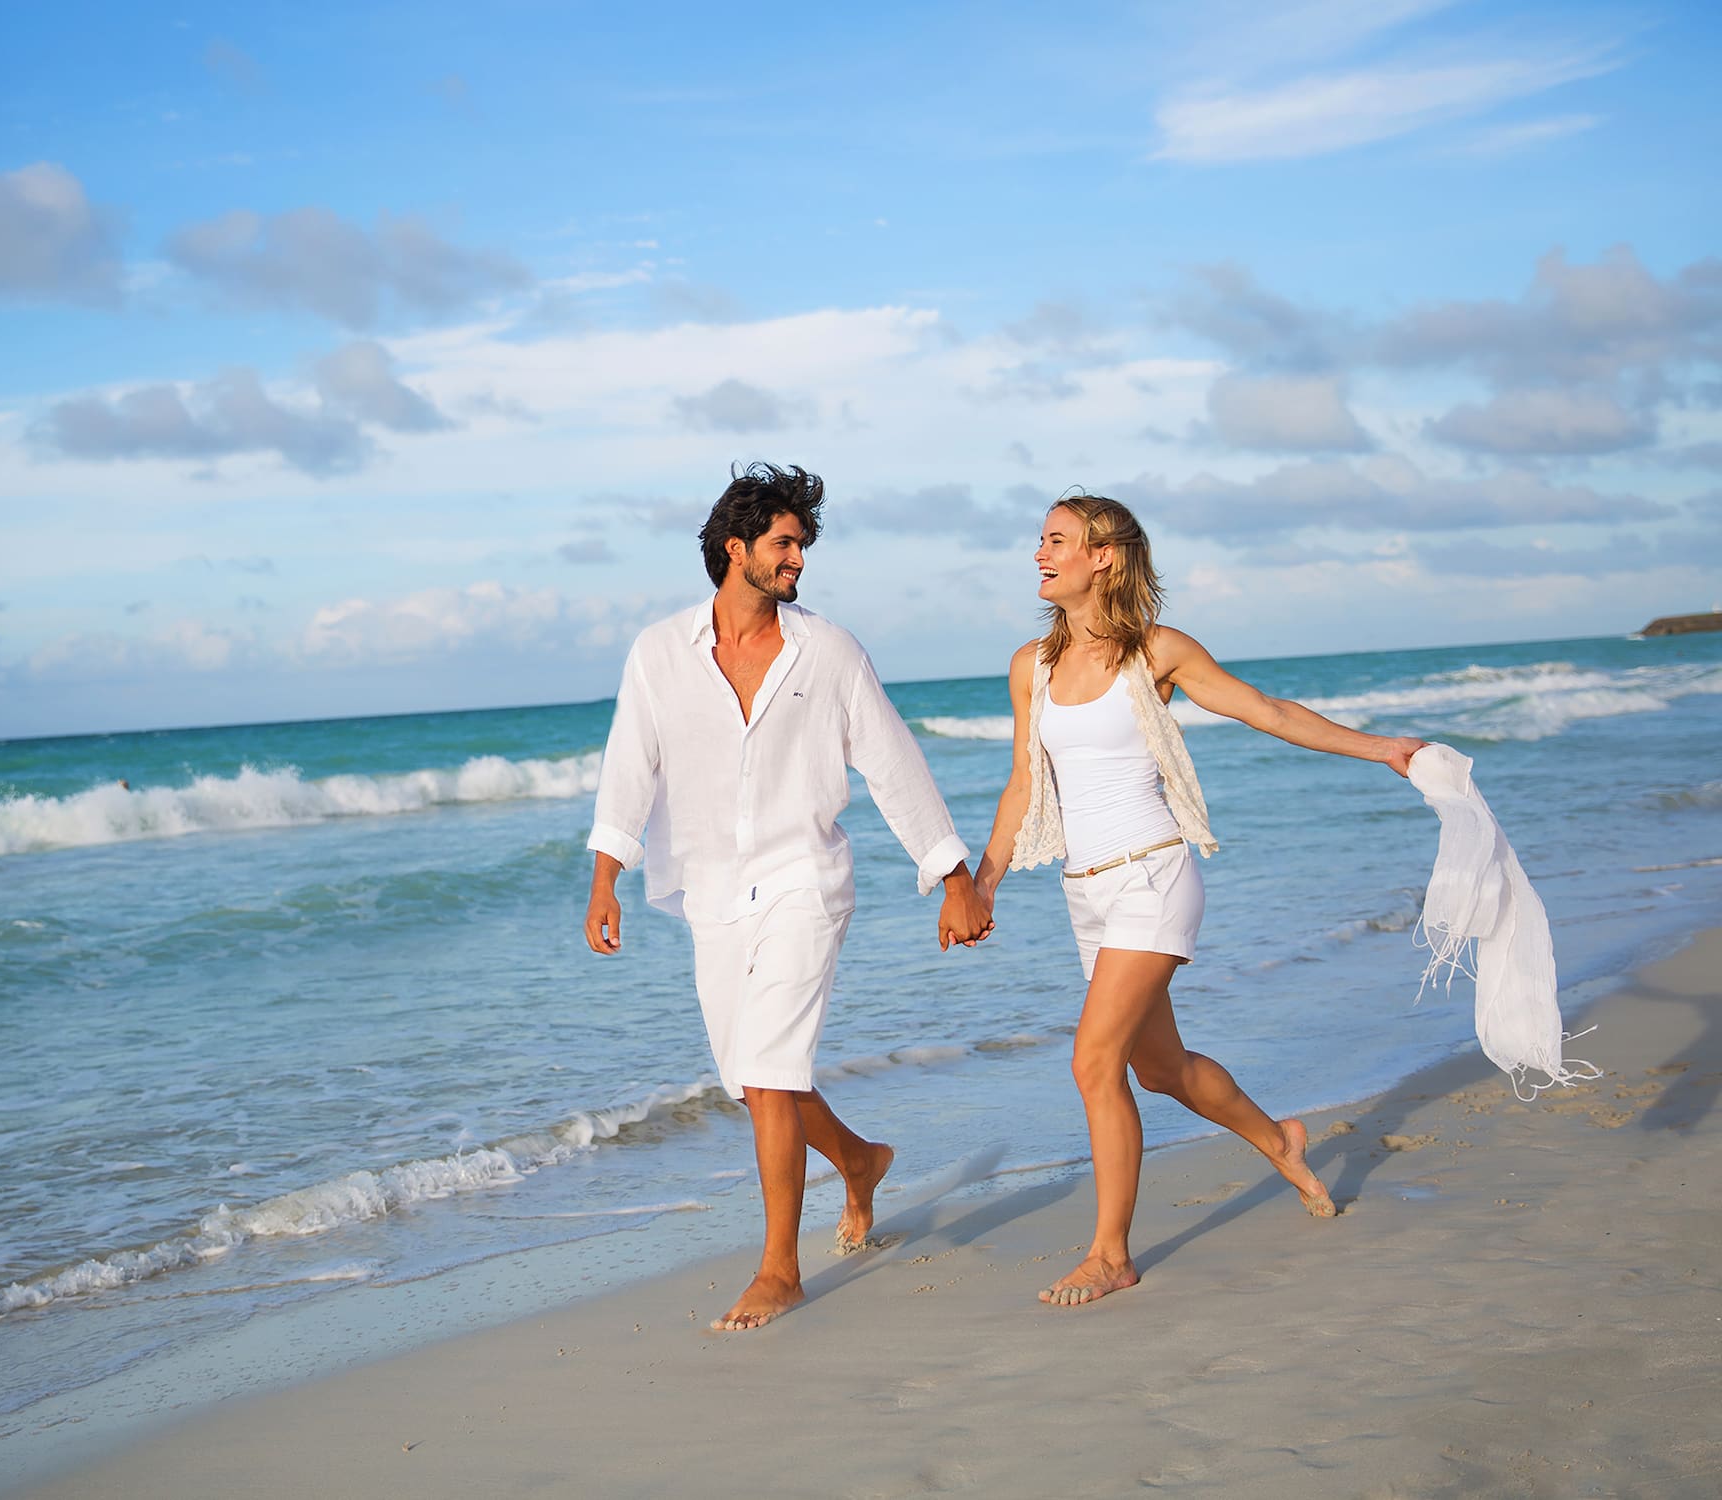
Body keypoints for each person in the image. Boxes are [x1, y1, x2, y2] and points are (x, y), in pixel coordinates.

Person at [971, 494, 1424, 1308]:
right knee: (1161, 1069)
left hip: (1154, 875)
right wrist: (984, 879)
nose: (1041, 554)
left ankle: (1110, 1253)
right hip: (1086, 893)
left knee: (1093, 1062)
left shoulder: (1157, 652)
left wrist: (1381, 748)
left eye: (1058, 541)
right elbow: (1024, 783)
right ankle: (1280, 1139)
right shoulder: (1029, 665)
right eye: (1041, 540)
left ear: (1103, 555)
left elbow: (1266, 710)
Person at [585, 462, 993, 1332]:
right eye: (783, 543)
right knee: (752, 1081)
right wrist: (605, 878)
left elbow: (892, 762)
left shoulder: (830, 652)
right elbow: (629, 765)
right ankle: (858, 1160)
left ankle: (780, 1268)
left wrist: (951, 873)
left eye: (802, 545)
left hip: (807, 879)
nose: (797, 560)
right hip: (711, 891)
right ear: (734, 550)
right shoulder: (659, 653)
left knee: (771, 1071)